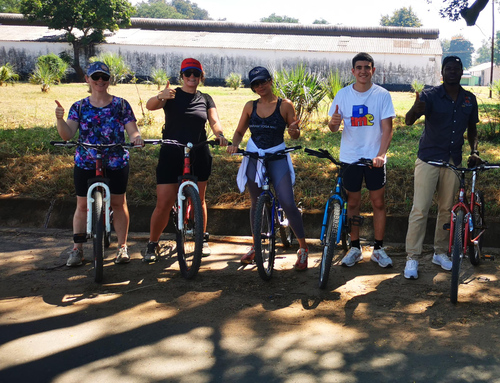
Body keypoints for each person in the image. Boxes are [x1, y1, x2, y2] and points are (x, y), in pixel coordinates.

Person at [54, 61, 144, 266]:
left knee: (119, 203)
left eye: (104, 77)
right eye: (95, 77)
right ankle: (77, 249)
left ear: (109, 80)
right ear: (87, 79)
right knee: (83, 206)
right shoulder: (79, 106)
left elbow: (132, 130)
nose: (100, 81)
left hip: (116, 160)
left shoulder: (121, 105)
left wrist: (136, 139)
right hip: (86, 160)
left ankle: (122, 247)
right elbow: (67, 134)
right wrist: (60, 120)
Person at [402, 56, 480, 280]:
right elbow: (408, 121)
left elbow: (472, 129)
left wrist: (474, 151)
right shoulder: (430, 95)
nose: (452, 72)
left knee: (447, 210)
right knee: (420, 209)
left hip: (453, 161)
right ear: (442, 72)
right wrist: (416, 110)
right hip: (429, 159)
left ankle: (439, 252)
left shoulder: (468, 99)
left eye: (456, 69)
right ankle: (412, 257)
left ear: (462, 71)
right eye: (448, 69)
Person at [142, 58, 227, 263]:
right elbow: (150, 106)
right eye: (187, 74)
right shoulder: (171, 94)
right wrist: (160, 96)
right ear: (181, 76)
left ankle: (201, 238)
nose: (191, 77)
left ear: (201, 77)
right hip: (171, 151)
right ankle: (153, 243)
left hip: (198, 151)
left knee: (200, 199)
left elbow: (214, 120)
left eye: (195, 74)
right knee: (164, 202)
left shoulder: (206, 98)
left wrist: (219, 134)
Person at [227, 66, 309, 270]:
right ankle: (256, 246)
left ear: (271, 81)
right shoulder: (250, 106)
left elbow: (295, 134)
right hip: (255, 155)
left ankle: (303, 248)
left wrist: (293, 130)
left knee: (288, 202)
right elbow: (239, 132)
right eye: (255, 84)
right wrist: (234, 144)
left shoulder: (285, 105)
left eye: (263, 81)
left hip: (277, 155)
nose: (260, 86)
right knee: (256, 203)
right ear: (252, 87)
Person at [328, 52, 395, 268]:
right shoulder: (343, 95)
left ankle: (378, 248)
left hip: (373, 159)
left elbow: (387, 129)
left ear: (373, 70)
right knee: (353, 203)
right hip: (350, 158)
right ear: (353, 71)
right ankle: (355, 247)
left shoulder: (382, 95)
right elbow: (332, 127)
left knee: (378, 203)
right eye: (359, 67)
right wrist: (334, 122)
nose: (363, 71)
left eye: (367, 67)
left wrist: (381, 155)